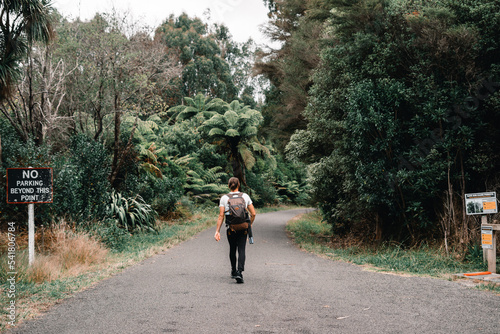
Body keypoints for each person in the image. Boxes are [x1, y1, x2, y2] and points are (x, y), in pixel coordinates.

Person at [214, 177, 256, 283]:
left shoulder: (224, 198)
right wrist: (249, 225)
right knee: (241, 249)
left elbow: (221, 216)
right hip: (243, 228)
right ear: (238, 185)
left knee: (232, 249)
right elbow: (253, 213)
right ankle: (240, 272)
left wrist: (217, 231)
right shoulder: (245, 196)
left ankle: (233, 271)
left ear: (229, 185)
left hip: (231, 228)